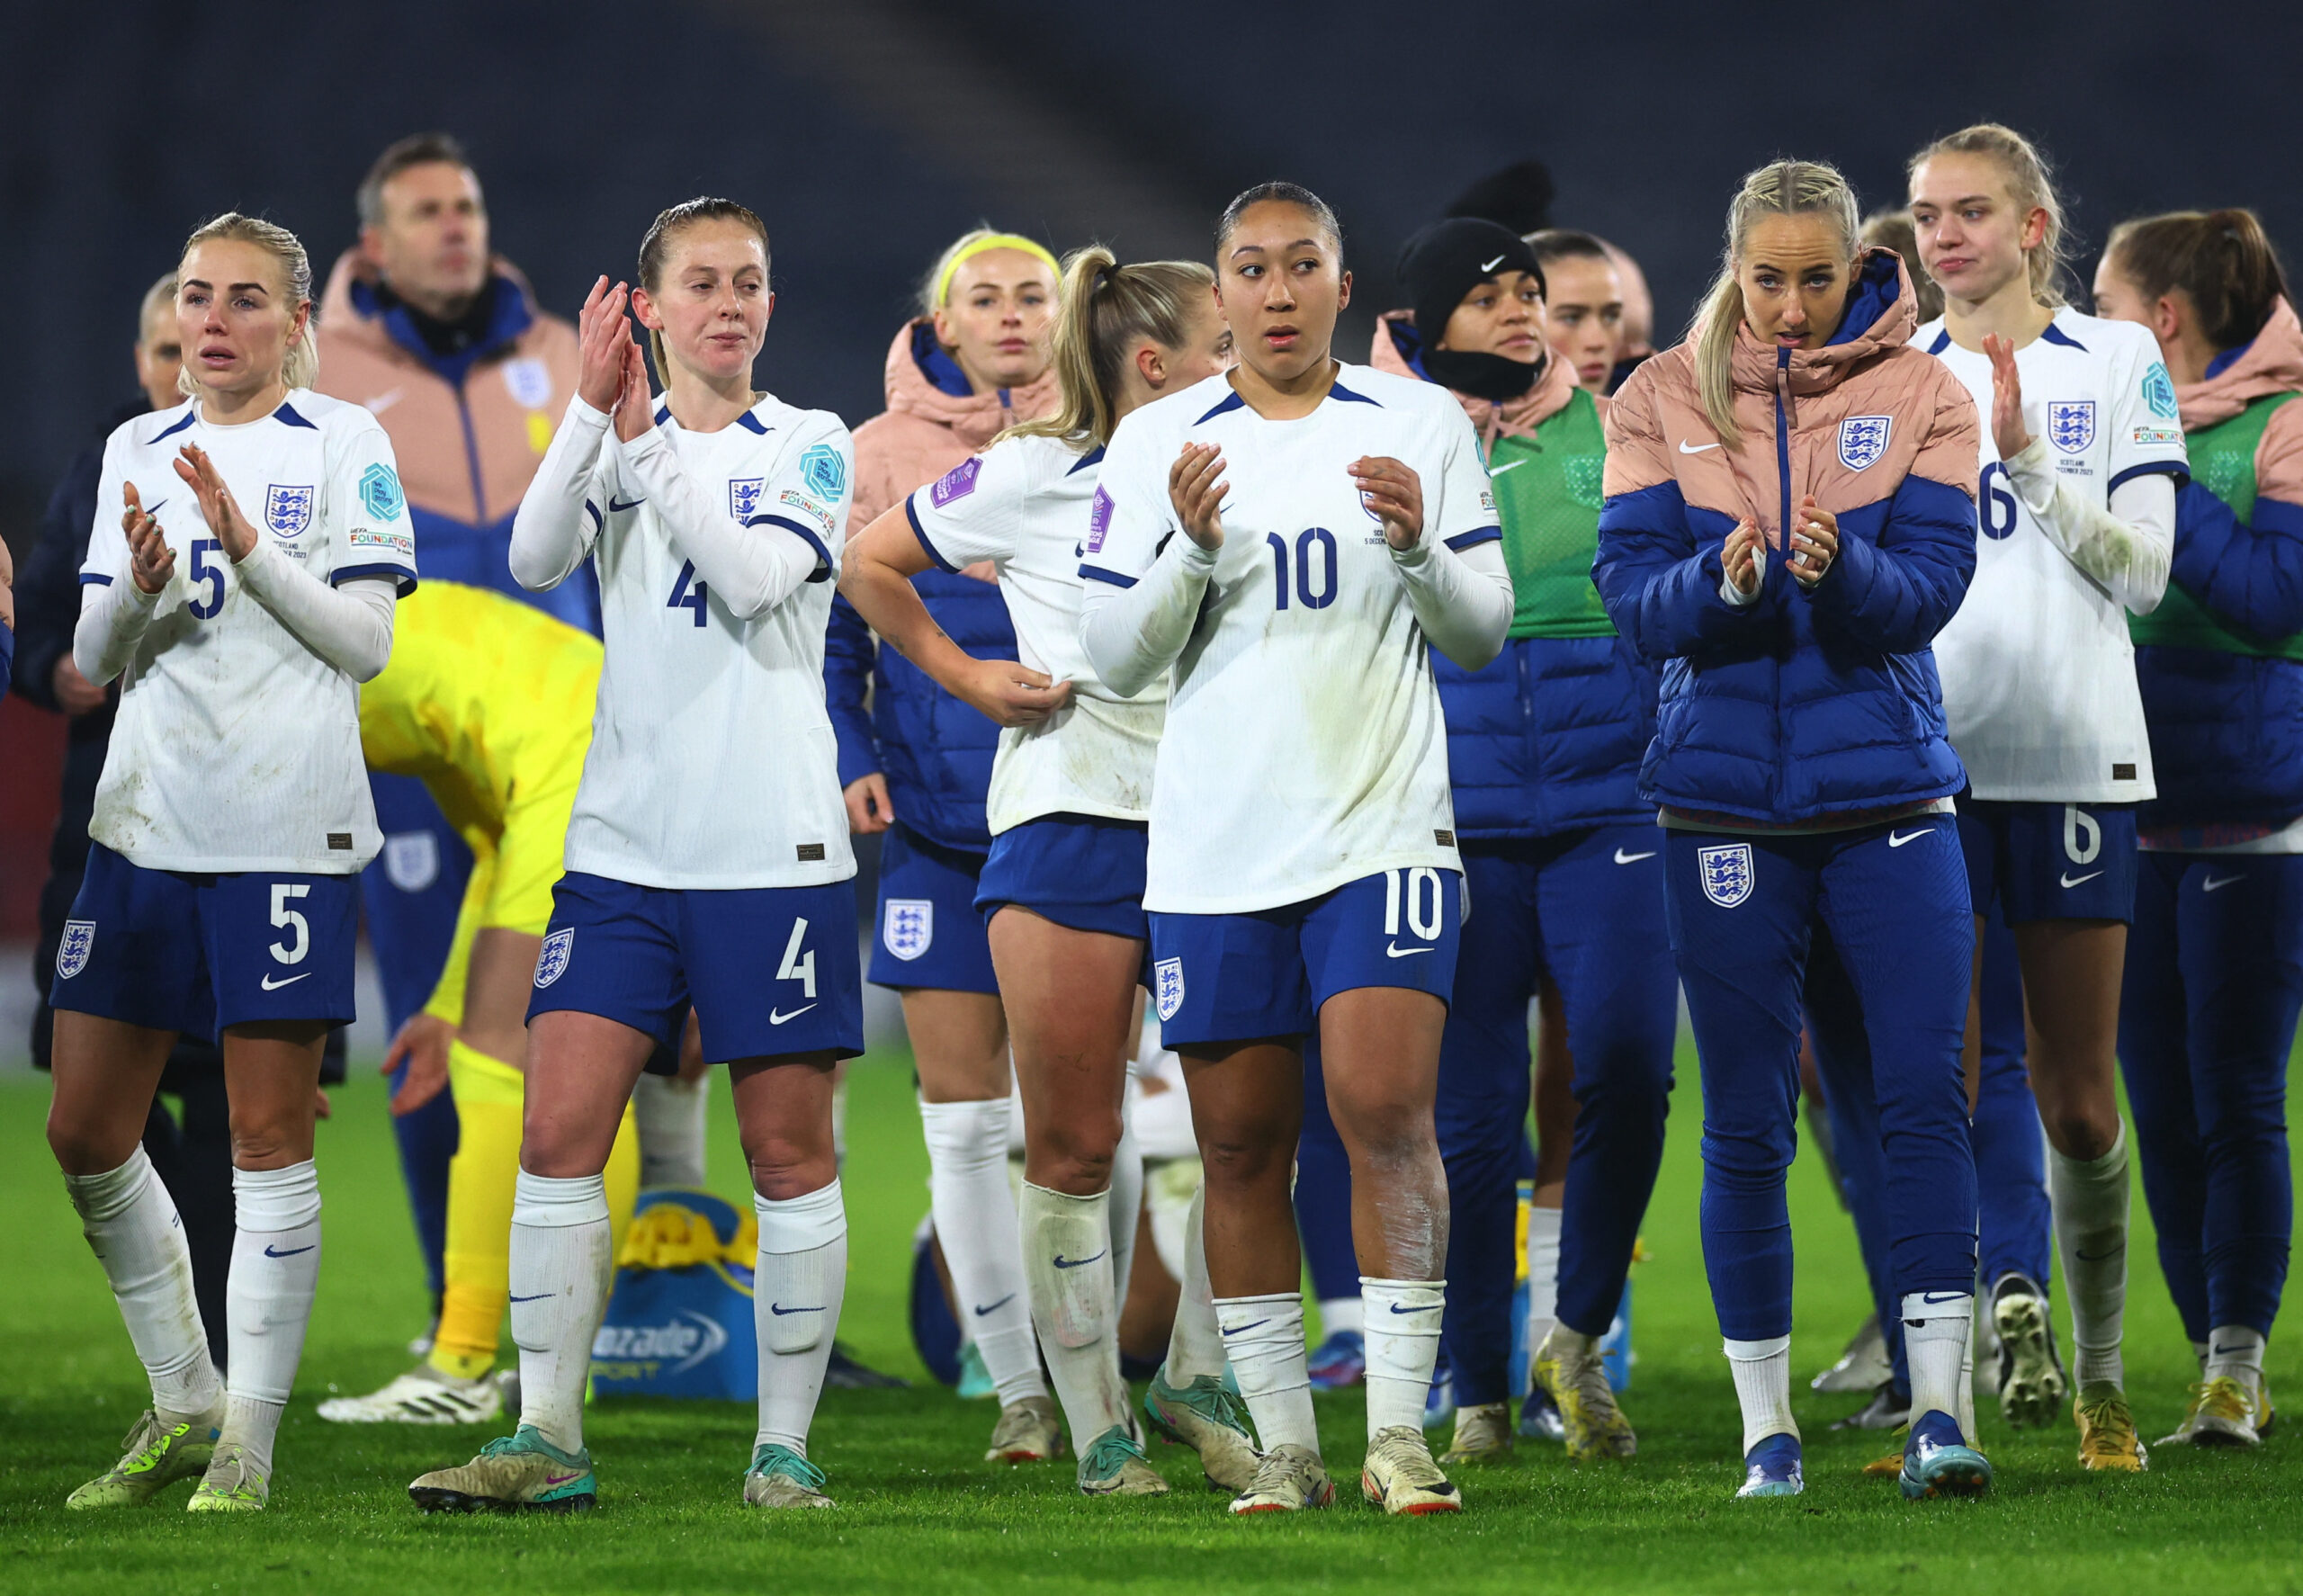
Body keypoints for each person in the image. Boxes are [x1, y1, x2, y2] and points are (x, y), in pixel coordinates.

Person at [408, 198, 862, 1514]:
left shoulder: (811, 446)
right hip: (620, 853)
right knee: (556, 1129)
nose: (733, 301)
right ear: (651, 309)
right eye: (703, 282)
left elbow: (753, 579)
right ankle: (546, 1437)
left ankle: (782, 1449)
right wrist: (585, 419)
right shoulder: (622, 442)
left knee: (786, 1152)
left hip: (771, 854)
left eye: (752, 280)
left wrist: (640, 431)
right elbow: (537, 549)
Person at [1082, 181, 1514, 1516]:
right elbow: (1108, 653)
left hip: (1381, 824)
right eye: (1253, 270)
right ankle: (1287, 1449)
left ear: (1340, 281)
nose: (1277, 292)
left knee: (1384, 1113)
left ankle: (1398, 1437)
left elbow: (1482, 628)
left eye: (1303, 265)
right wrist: (1193, 558)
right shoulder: (1159, 440)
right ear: (1221, 293)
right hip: (1215, 846)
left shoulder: (1419, 420)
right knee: (1237, 1148)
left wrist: (1424, 548)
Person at [1592, 158, 1986, 1502]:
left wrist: (1848, 570)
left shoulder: (1926, 391)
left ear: (1859, 268)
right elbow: (1631, 598)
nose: (1793, 303)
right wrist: (1721, 578)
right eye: (1769, 277)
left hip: (1889, 802)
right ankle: (1771, 1433)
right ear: (1735, 267)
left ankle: (1941, 1413)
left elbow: (1933, 586)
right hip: (1722, 811)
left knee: (1925, 1101)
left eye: (1819, 275)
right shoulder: (1660, 395)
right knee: (1747, 1124)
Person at [841, 245, 1246, 1495]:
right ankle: (1094, 1424)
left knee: (1251, 1136)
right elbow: (868, 565)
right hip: (1071, 814)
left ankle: (1189, 1369)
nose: (1245, 362)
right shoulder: (1027, 473)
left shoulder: (1265, 462)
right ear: (1152, 364)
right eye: (1221, 345)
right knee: (1069, 1141)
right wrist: (966, 678)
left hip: (1230, 826)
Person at [48, 212, 416, 1513]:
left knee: (266, 1136)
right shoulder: (135, 448)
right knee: (85, 1128)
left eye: (244, 299)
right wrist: (144, 586)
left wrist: (251, 550)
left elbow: (367, 647)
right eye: (199, 296)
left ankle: (246, 1439)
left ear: (294, 321)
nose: (213, 320)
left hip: (285, 829)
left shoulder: (349, 443)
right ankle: (184, 1389)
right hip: (145, 819)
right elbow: (94, 657)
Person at [1374, 217, 1676, 1466]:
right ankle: (1480, 1387)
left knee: (1624, 1062)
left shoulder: (1611, 427)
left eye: (1529, 293)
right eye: (1488, 295)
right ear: (1431, 320)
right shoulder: (1376, 437)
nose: (1521, 314)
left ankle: (1580, 1334)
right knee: (1474, 1112)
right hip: (1455, 812)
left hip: (1614, 797)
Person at [1908, 123, 2186, 1472]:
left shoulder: (2119, 362)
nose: (1942, 235)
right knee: (1942, 1086)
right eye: (1923, 215)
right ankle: (1946, 1403)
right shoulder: (1891, 374)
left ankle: (2103, 1381)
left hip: (2074, 754)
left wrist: (2025, 472)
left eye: (1970, 211)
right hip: (1923, 768)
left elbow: (2145, 575)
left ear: (2032, 226)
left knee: (2079, 1100)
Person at [315, 133, 588, 1347]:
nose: (455, 227)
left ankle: (624, 1304)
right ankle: (456, 1303)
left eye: (467, 204)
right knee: (444, 1019)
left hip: (564, 733)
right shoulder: (321, 377)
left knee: (609, 1026)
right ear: (375, 242)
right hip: (420, 750)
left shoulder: (559, 354)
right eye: (426, 211)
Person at [825, 227, 1066, 1447]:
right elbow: (836, 635)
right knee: (964, 1119)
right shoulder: (874, 456)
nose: (1015, 313)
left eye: (1036, 295)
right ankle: (1013, 1384)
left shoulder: (1106, 435)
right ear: (947, 322)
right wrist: (856, 756)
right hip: (933, 824)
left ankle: (1102, 1364)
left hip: (1073, 816)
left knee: (1082, 1121)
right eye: (989, 297)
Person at [314, 582, 641, 1426]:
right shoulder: (371, 623)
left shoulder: (284, 665)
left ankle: (460, 1366)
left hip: (574, 752)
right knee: (586, 1061)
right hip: (609, 729)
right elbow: (499, 849)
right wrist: (452, 1001)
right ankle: (567, 1365)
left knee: (503, 1059)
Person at [2095, 207, 2300, 1448]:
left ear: (2161, 320)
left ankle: (2238, 1357)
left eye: (2110, 308)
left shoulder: (2285, 424)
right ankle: (2209, 1355)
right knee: (2153, 1103)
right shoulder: (2120, 421)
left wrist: (2163, 472)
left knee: (2234, 1096)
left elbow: (2277, 601)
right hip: (2128, 806)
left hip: (2253, 816)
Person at [1526, 231, 1626, 395]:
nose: (1597, 342)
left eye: (1611, 316)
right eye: (1572, 318)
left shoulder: (1661, 412)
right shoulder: (1472, 418)